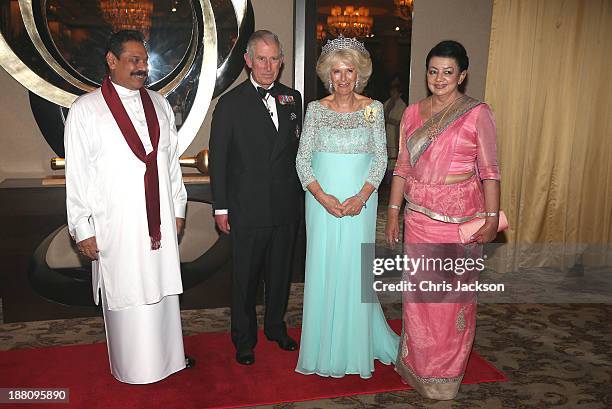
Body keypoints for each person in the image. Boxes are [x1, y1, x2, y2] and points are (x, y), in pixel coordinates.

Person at [64, 30, 194, 384]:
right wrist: (83, 228)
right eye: (133, 60)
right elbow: (77, 176)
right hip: (116, 224)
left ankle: (168, 359)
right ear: (111, 60)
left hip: (159, 222)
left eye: (144, 60)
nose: (141, 67)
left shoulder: (160, 103)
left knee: (161, 288)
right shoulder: (86, 110)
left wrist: (178, 209)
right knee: (129, 288)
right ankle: (133, 368)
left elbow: (171, 164)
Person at [385, 40, 501, 399]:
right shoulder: (412, 113)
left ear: (462, 75)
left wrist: (492, 218)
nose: (439, 78)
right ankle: (418, 368)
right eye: (433, 71)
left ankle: (445, 377)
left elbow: (490, 173)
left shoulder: (476, 114)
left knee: (449, 303)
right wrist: (393, 212)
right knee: (419, 301)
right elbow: (402, 167)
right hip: (418, 220)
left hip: (458, 223)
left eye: (448, 72)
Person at [295, 36, 399, 379]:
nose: (342, 78)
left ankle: (355, 346)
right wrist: (323, 197)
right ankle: (323, 347)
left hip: (360, 204)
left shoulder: (373, 109)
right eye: (336, 71)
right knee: (325, 267)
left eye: (349, 71)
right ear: (327, 74)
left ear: (359, 74)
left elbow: (381, 160)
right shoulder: (315, 109)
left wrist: (361, 197)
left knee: (355, 272)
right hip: (321, 203)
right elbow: (302, 162)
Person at [209, 30, 303, 366]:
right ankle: (244, 339)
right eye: (260, 58)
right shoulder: (231, 103)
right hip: (246, 208)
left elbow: (299, 153)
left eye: (274, 58)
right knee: (245, 280)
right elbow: (218, 160)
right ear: (248, 61)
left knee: (280, 276)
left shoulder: (293, 99)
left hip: (285, 207)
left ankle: (276, 328)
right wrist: (221, 206)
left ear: (282, 61)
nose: (268, 65)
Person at [383, 81, 407, 181]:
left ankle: (392, 179)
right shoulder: (388, 102)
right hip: (386, 133)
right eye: (392, 92)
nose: (393, 94)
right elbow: (382, 116)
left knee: (394, 156)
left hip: (395, 134)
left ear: (399, 93)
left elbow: (399, 122)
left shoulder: (402, 105)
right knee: (386, 155)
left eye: (395, 92)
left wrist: (388, 119)